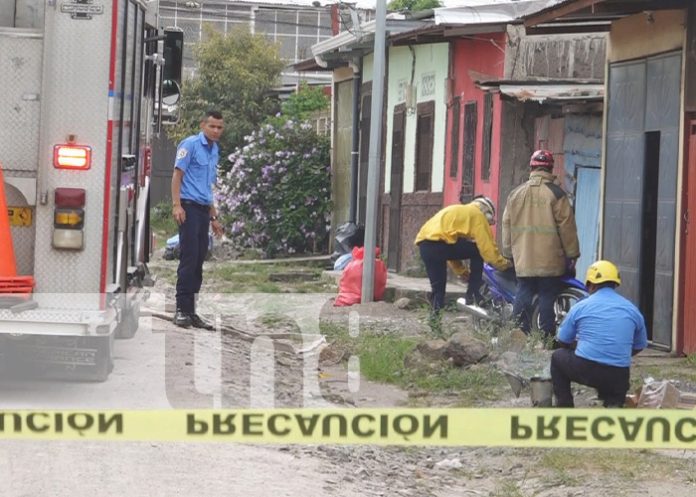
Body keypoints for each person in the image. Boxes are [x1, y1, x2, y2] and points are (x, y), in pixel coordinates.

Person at [502, 149, 580, 337]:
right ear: (550, 168)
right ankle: (546, 337)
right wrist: (572, 254)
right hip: (550, 259)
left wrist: (507, 253)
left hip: (524, 258)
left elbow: (506, 225)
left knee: (524, 291)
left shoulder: (515, 194)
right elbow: (567, 228)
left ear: (532, 167)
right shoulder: (557, 194)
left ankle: (519, 334)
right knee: (547, 294)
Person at [551, 260, 648, 407]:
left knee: (557, 357)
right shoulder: (632, 310)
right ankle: (613, 403)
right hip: (619, 374)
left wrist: (579, 346)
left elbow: (562, 340)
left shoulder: (580, 307)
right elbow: (639, 345)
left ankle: (565, 407)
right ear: (615, 284)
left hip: (587, 368)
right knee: (613, 385)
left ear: (591, 285)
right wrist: (614, 353)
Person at [171, 110, 225, 329]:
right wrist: (177, 205)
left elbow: (207, 187)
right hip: (188, 208)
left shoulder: (215, 150)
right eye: (212, 126)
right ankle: (181, 310)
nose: (216, 131)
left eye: (220, 127)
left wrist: (214, 217)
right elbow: (177, 176)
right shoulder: (190, 144)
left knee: (199, 261)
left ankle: (192, 311)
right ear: (203, 125)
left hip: (203, 210)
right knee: (189, 258)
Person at [415, 196, 511, 313]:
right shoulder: (478, 215)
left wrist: (463, 273)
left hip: (425, 246)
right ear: (487, 214)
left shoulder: (459, 211)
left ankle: (435, 323)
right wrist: (505, 265)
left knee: (438, 289)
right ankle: (473, 294)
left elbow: (449, 244)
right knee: (477, 251)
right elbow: (488, 252)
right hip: (439, 245)